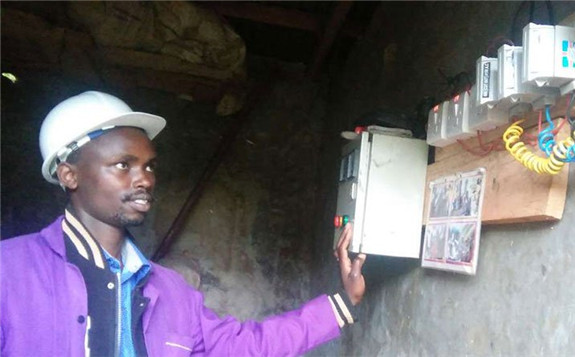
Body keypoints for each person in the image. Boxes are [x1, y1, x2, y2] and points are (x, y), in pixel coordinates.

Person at [0, 91, 367, 356]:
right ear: (69, 175)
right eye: (123, 165)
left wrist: (343, 302)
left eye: (149, 166)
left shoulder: (171, 292)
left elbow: (244, 346)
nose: (144, 179)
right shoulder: (10, 272)